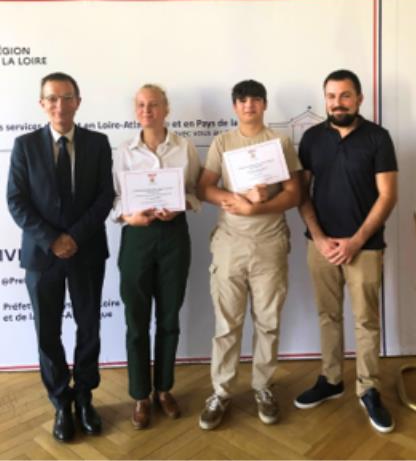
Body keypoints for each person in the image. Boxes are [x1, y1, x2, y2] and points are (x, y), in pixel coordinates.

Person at [7, 72, 115, 442]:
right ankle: (60, 402)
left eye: (66, 97)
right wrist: (53, 239)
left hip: (85, 252)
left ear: (78, 102)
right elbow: (16, 201)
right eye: (52, 98)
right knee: (47, 334)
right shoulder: (24, 146)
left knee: (89, 329)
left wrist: (73, 237)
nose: (59, 105)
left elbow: (105, 197)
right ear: (41, 104)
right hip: (42, 256)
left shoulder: (98, 143)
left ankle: (85, 398)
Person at [295, 69, 398, 433]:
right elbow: (301, 194)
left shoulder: (378, 138)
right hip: (319, 246)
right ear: (324, 99)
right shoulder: (310, 138)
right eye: (331, 96)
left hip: (365, 247)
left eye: (345, 96)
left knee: (366, 321)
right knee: (328, 316)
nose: (337, 103)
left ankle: (369, 389)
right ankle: (332, 380)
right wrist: (320, 237)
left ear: (359, 99)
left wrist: (355, 241)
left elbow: (388, 196)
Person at [197, 79, 301, 430]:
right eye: (242, 100)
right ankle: (221, 391)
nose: (249, 106)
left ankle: (262, 386)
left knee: (268, 322)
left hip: (270, 243)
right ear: (234, 106)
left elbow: (295, 194)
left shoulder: (279, 141)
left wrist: (260, 207)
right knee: (227, 323)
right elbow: (204, 187)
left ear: (264, 105)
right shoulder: (222, 142)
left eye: (256, 100)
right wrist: (235, 200)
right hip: (229, 244)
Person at [111, 84, 201, 429]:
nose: (147, 110)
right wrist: (128, 216)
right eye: (141, 105)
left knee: (168, 318)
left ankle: (164, 389)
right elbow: (114, 199)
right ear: (136, 111)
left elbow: (194, 192)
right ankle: (140, 395)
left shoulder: (185, 147)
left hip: (173, 237)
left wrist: (180, 207)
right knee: (136, 323)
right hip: (136, 237)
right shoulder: (123, 151)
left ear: (166, 109)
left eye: (154, 104)